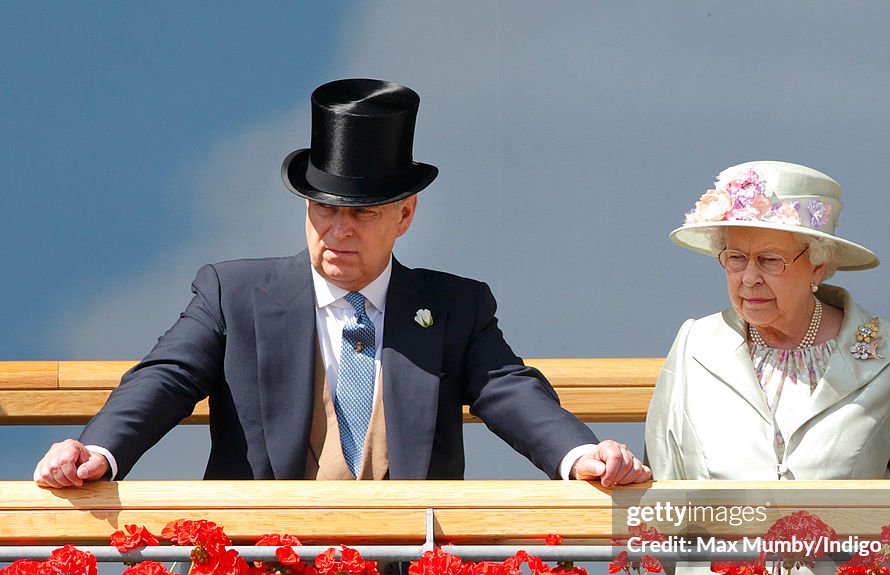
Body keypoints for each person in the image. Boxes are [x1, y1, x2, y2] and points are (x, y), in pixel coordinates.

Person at [34, 78, 650, 490]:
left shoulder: (454, 306)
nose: (337, 229)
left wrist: (580, 457)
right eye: (323, 209)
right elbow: (165, 378)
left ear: (405, 215)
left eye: (362, 213)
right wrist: (100, 453)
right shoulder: (234, 294)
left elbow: (508, 390)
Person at [644, 160, 890, 575]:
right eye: (735, 258)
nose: (748, 278)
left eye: (770, 260)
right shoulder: (694, 345)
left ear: (819, 265)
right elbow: (663, 499)